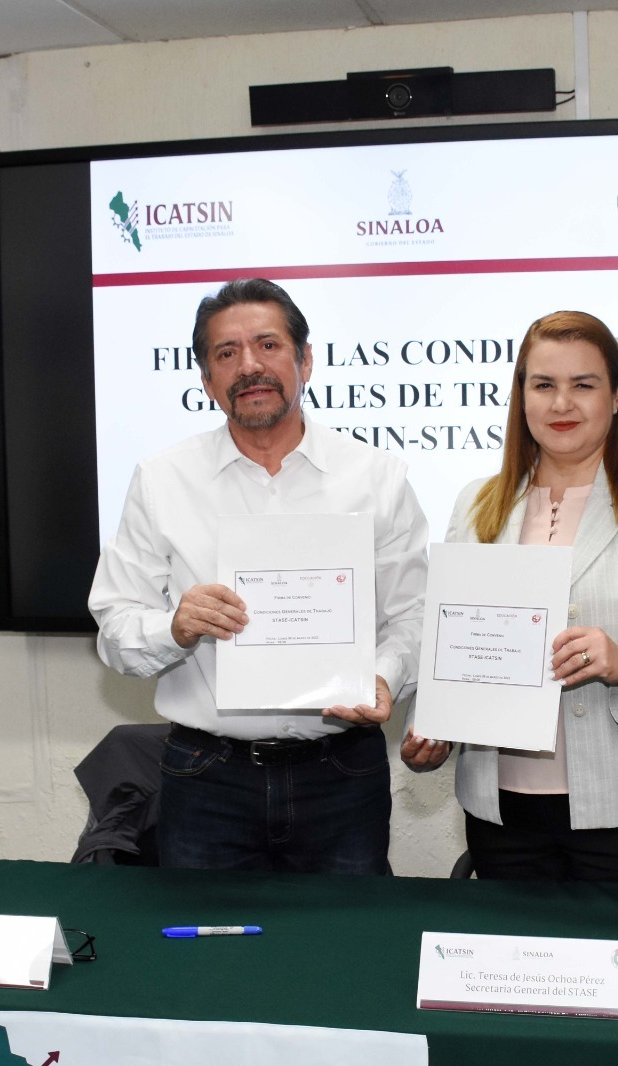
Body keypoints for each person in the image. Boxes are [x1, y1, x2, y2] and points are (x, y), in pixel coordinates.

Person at [88, 278, 427, 875]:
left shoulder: (377, 477)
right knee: (204, 939)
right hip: (206, 777)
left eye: (268, 345)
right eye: (227, 353)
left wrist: (384, 675)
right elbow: (114, 627)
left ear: (305, 360)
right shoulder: (162, 480)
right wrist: (175, 627)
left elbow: (416, 614)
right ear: (206, 380)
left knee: (348, 934)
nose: (249, 366)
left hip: (343, 774)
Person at [403, 310, 618, 884]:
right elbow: (448, 638)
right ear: (521, 397)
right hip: (502, 811)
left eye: (583, 385)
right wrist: (429, 725)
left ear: (616, 396)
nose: (562, 403)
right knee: (512, 947)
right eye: (544, 385)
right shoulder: (476, 502)